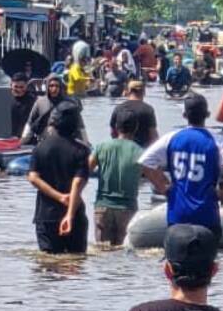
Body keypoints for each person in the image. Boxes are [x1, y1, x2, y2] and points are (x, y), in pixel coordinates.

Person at [139, 93, 223, 239]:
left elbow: (145, 162)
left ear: (184, 115)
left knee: (175, 258)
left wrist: (163, 187)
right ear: (207, 114)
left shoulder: (172, 138)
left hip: (178, 214)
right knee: (209, 259)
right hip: (207, 214)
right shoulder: (217, 141)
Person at [28, 103, 90, 254]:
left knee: (48, 267)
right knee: (76, 265)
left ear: (53, 123)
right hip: (74, 214)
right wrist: (69, 214)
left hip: (46, 216)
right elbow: (77, 183)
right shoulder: (81, 151)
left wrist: (59, 197)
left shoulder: (40, 148)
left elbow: (33, 178)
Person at [90, 110, 142, 247]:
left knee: (102, 252)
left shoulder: (101, 147)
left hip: (103, 207)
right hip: (128, 208)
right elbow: (156, 179)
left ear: (116, 127)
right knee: (124, 255)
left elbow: (83, 172)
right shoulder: (140, 152)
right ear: (136, 128)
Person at [109, 80, 158, 150]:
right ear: (144, 92)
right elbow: (154, 136)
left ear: (128, 91)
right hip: (141, 150)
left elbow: (112, 132)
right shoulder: (148, 109)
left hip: (122, 149)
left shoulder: (119, 108)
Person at [22, 74, 68, 145]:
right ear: (47, 87)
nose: (54, 89)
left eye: (57, 86)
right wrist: (23, 140)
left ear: (61, 87)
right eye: (51, 86)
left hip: (63, 142)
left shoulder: (67, 104)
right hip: (43, 142)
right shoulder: (40, 102)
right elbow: (30, 122)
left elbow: (78, 126)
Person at [9, 73, 36, 138]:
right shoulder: (11, 101)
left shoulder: (32, 102)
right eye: (16, 87)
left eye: (21, 87)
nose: (19, 90)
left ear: (26, 86)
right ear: (11, 85)